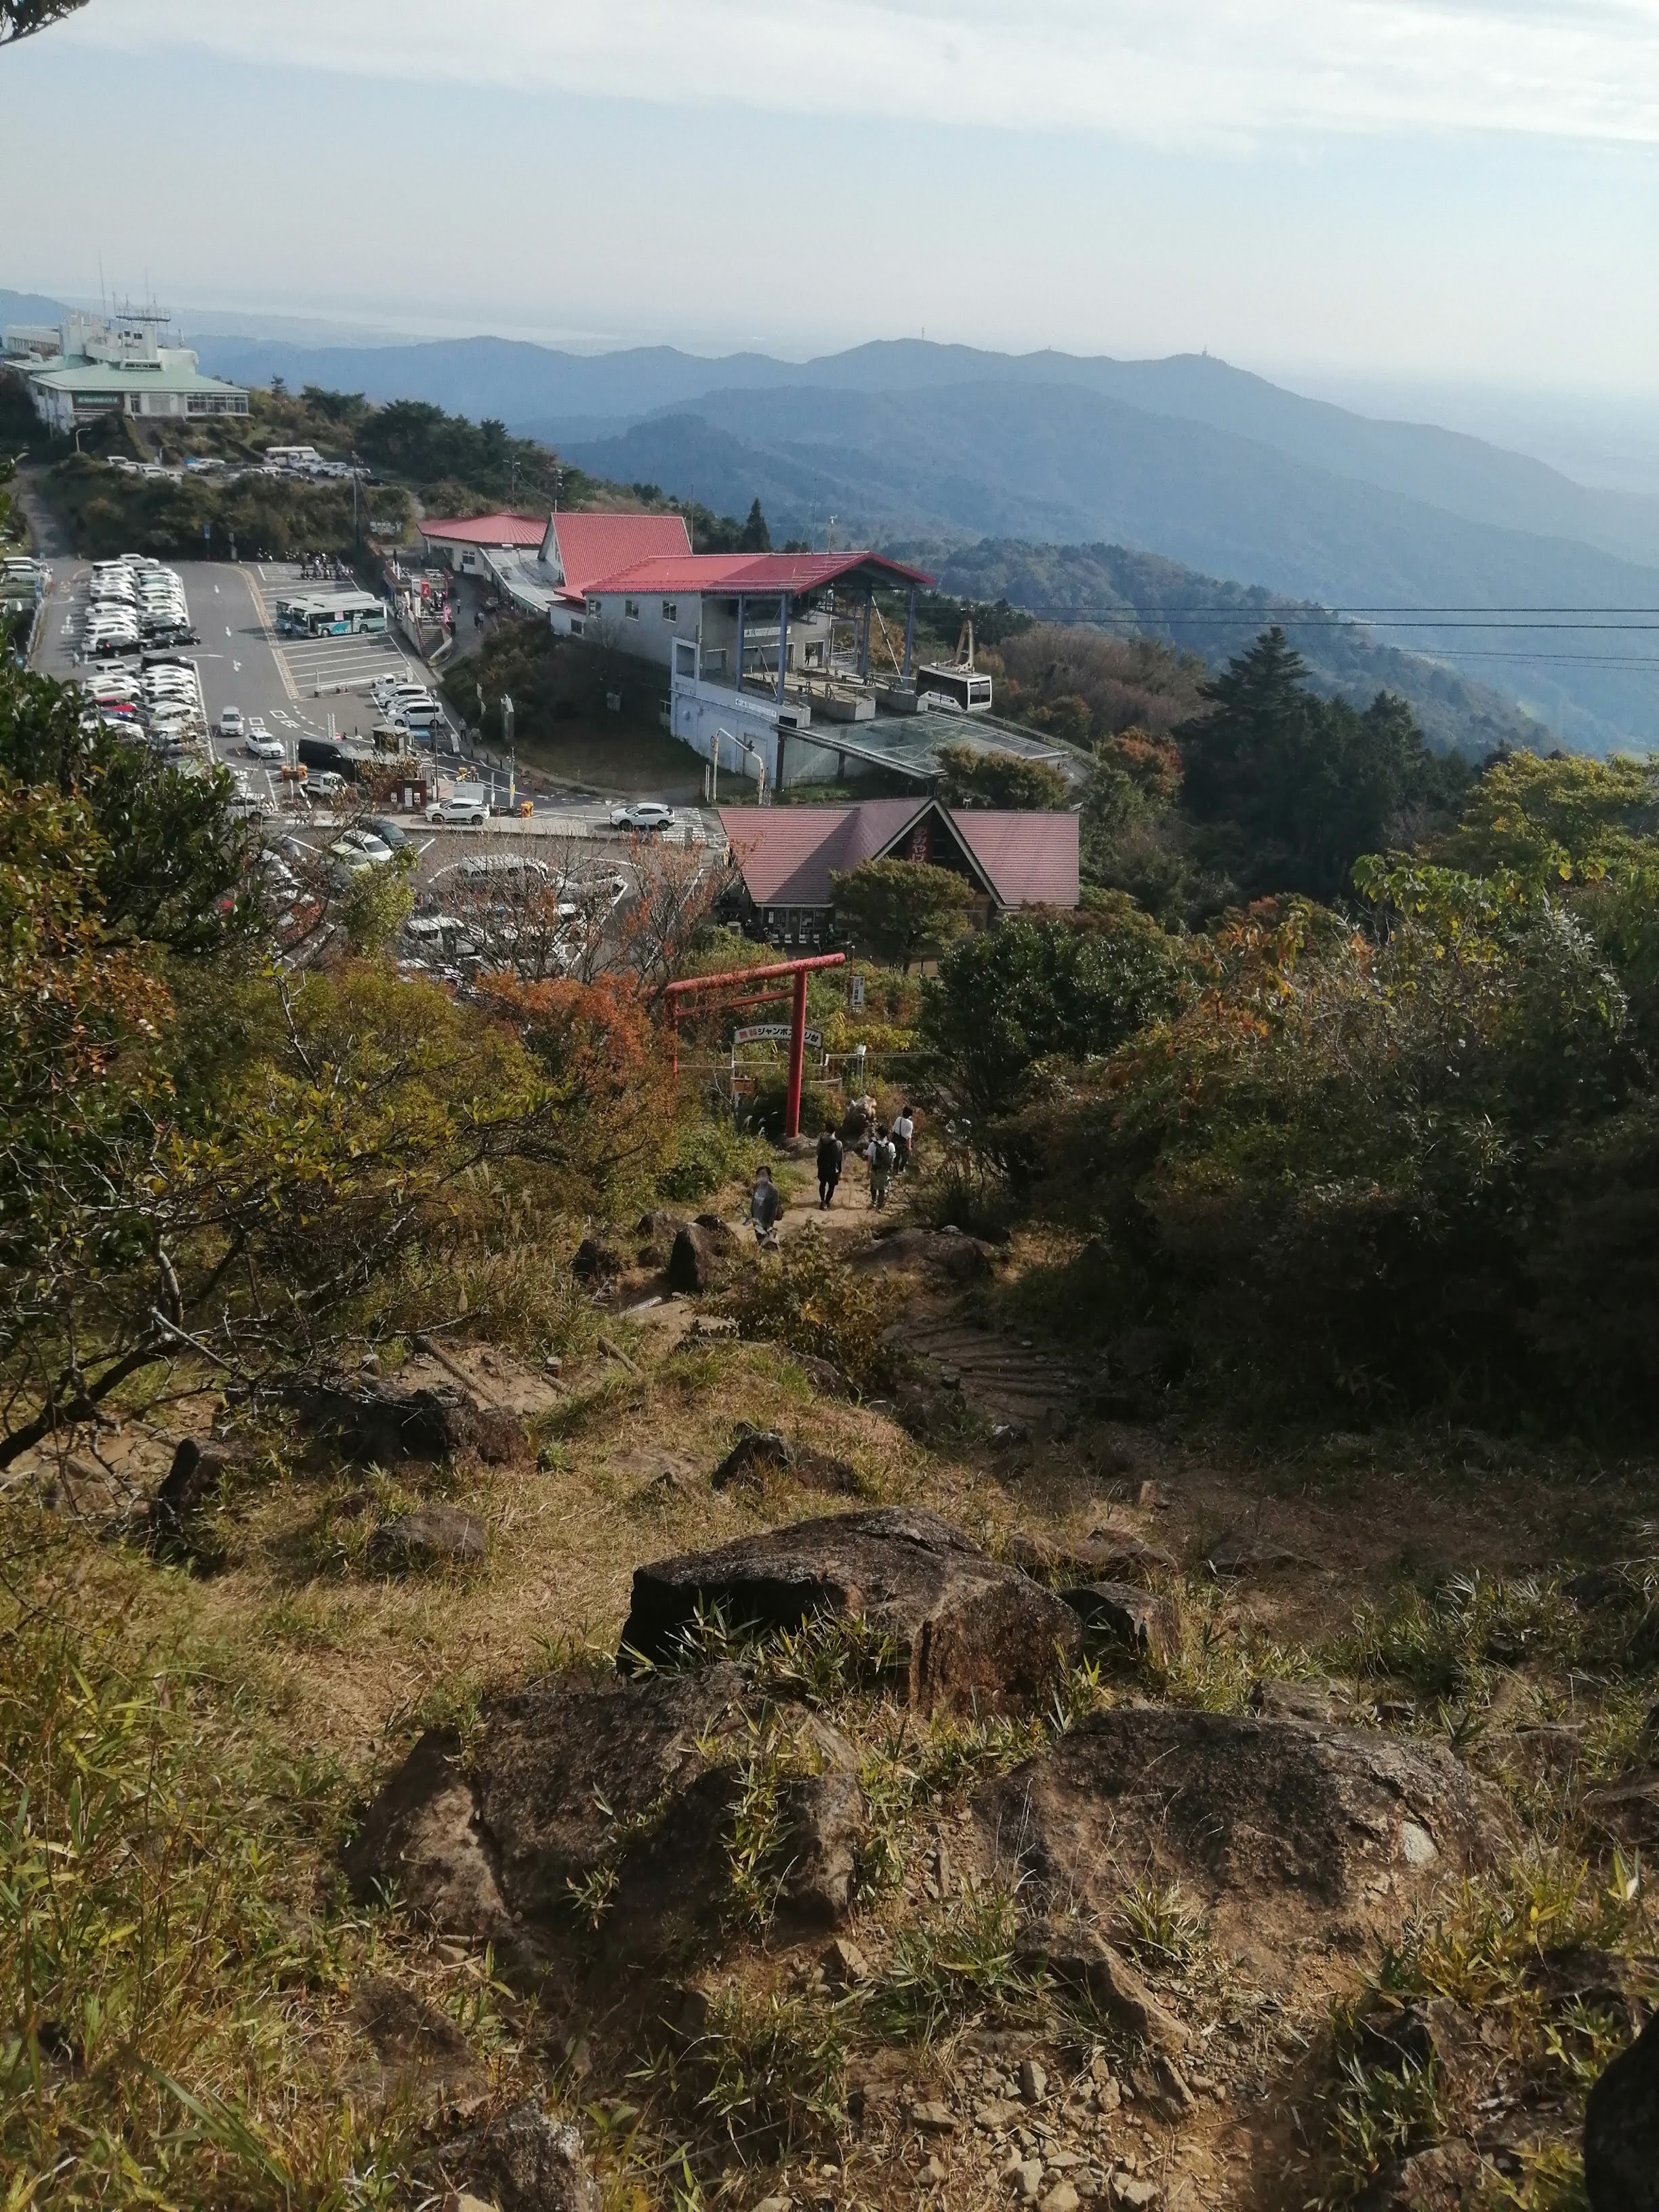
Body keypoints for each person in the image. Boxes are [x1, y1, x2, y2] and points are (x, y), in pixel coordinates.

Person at [750, 1163, 784, 1248]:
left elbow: (774, 1209)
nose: (761, 1177)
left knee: (769, 1243)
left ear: (769, 1176)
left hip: (766, 1220)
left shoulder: (773, 1190)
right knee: (761, 1242)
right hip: (757, 1220)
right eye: (759, 1175)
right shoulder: (757, 1186)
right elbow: (753, 1201)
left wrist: (770, 1225)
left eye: (763, 1175)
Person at [867, 1124, 895, 1210]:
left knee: (874, 1187)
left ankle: (873, 1202)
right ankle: (879, 1206)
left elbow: (870, 1159)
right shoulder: (891, 1146)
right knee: (882, 1189)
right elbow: (892, 1159)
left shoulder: (873, 1145)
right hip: (885, 1170)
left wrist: (868, 1171)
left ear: (878, 1134)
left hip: (875, 1169)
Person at [816, 1125, 844, 1210]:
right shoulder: (838, 1143)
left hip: (822, 1166)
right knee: (831, 1186)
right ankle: (827, 1203)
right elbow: (839, 1159)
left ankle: (822, 1201)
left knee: (822, 1184)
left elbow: (818, 1152)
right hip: (833, 1168)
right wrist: (840, 1171)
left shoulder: (821, 1141)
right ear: (835, 1131)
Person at [893, 1103, 916, 1174]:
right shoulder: (910, 1124)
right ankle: (901, 1169)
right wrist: (909, 1147)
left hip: (896, 1139)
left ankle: (895, 1170)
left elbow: (893, 1129)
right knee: (905, 1157)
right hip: (903, 1141)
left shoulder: (898, 1119)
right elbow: (908, 1136)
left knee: (897, 1156)